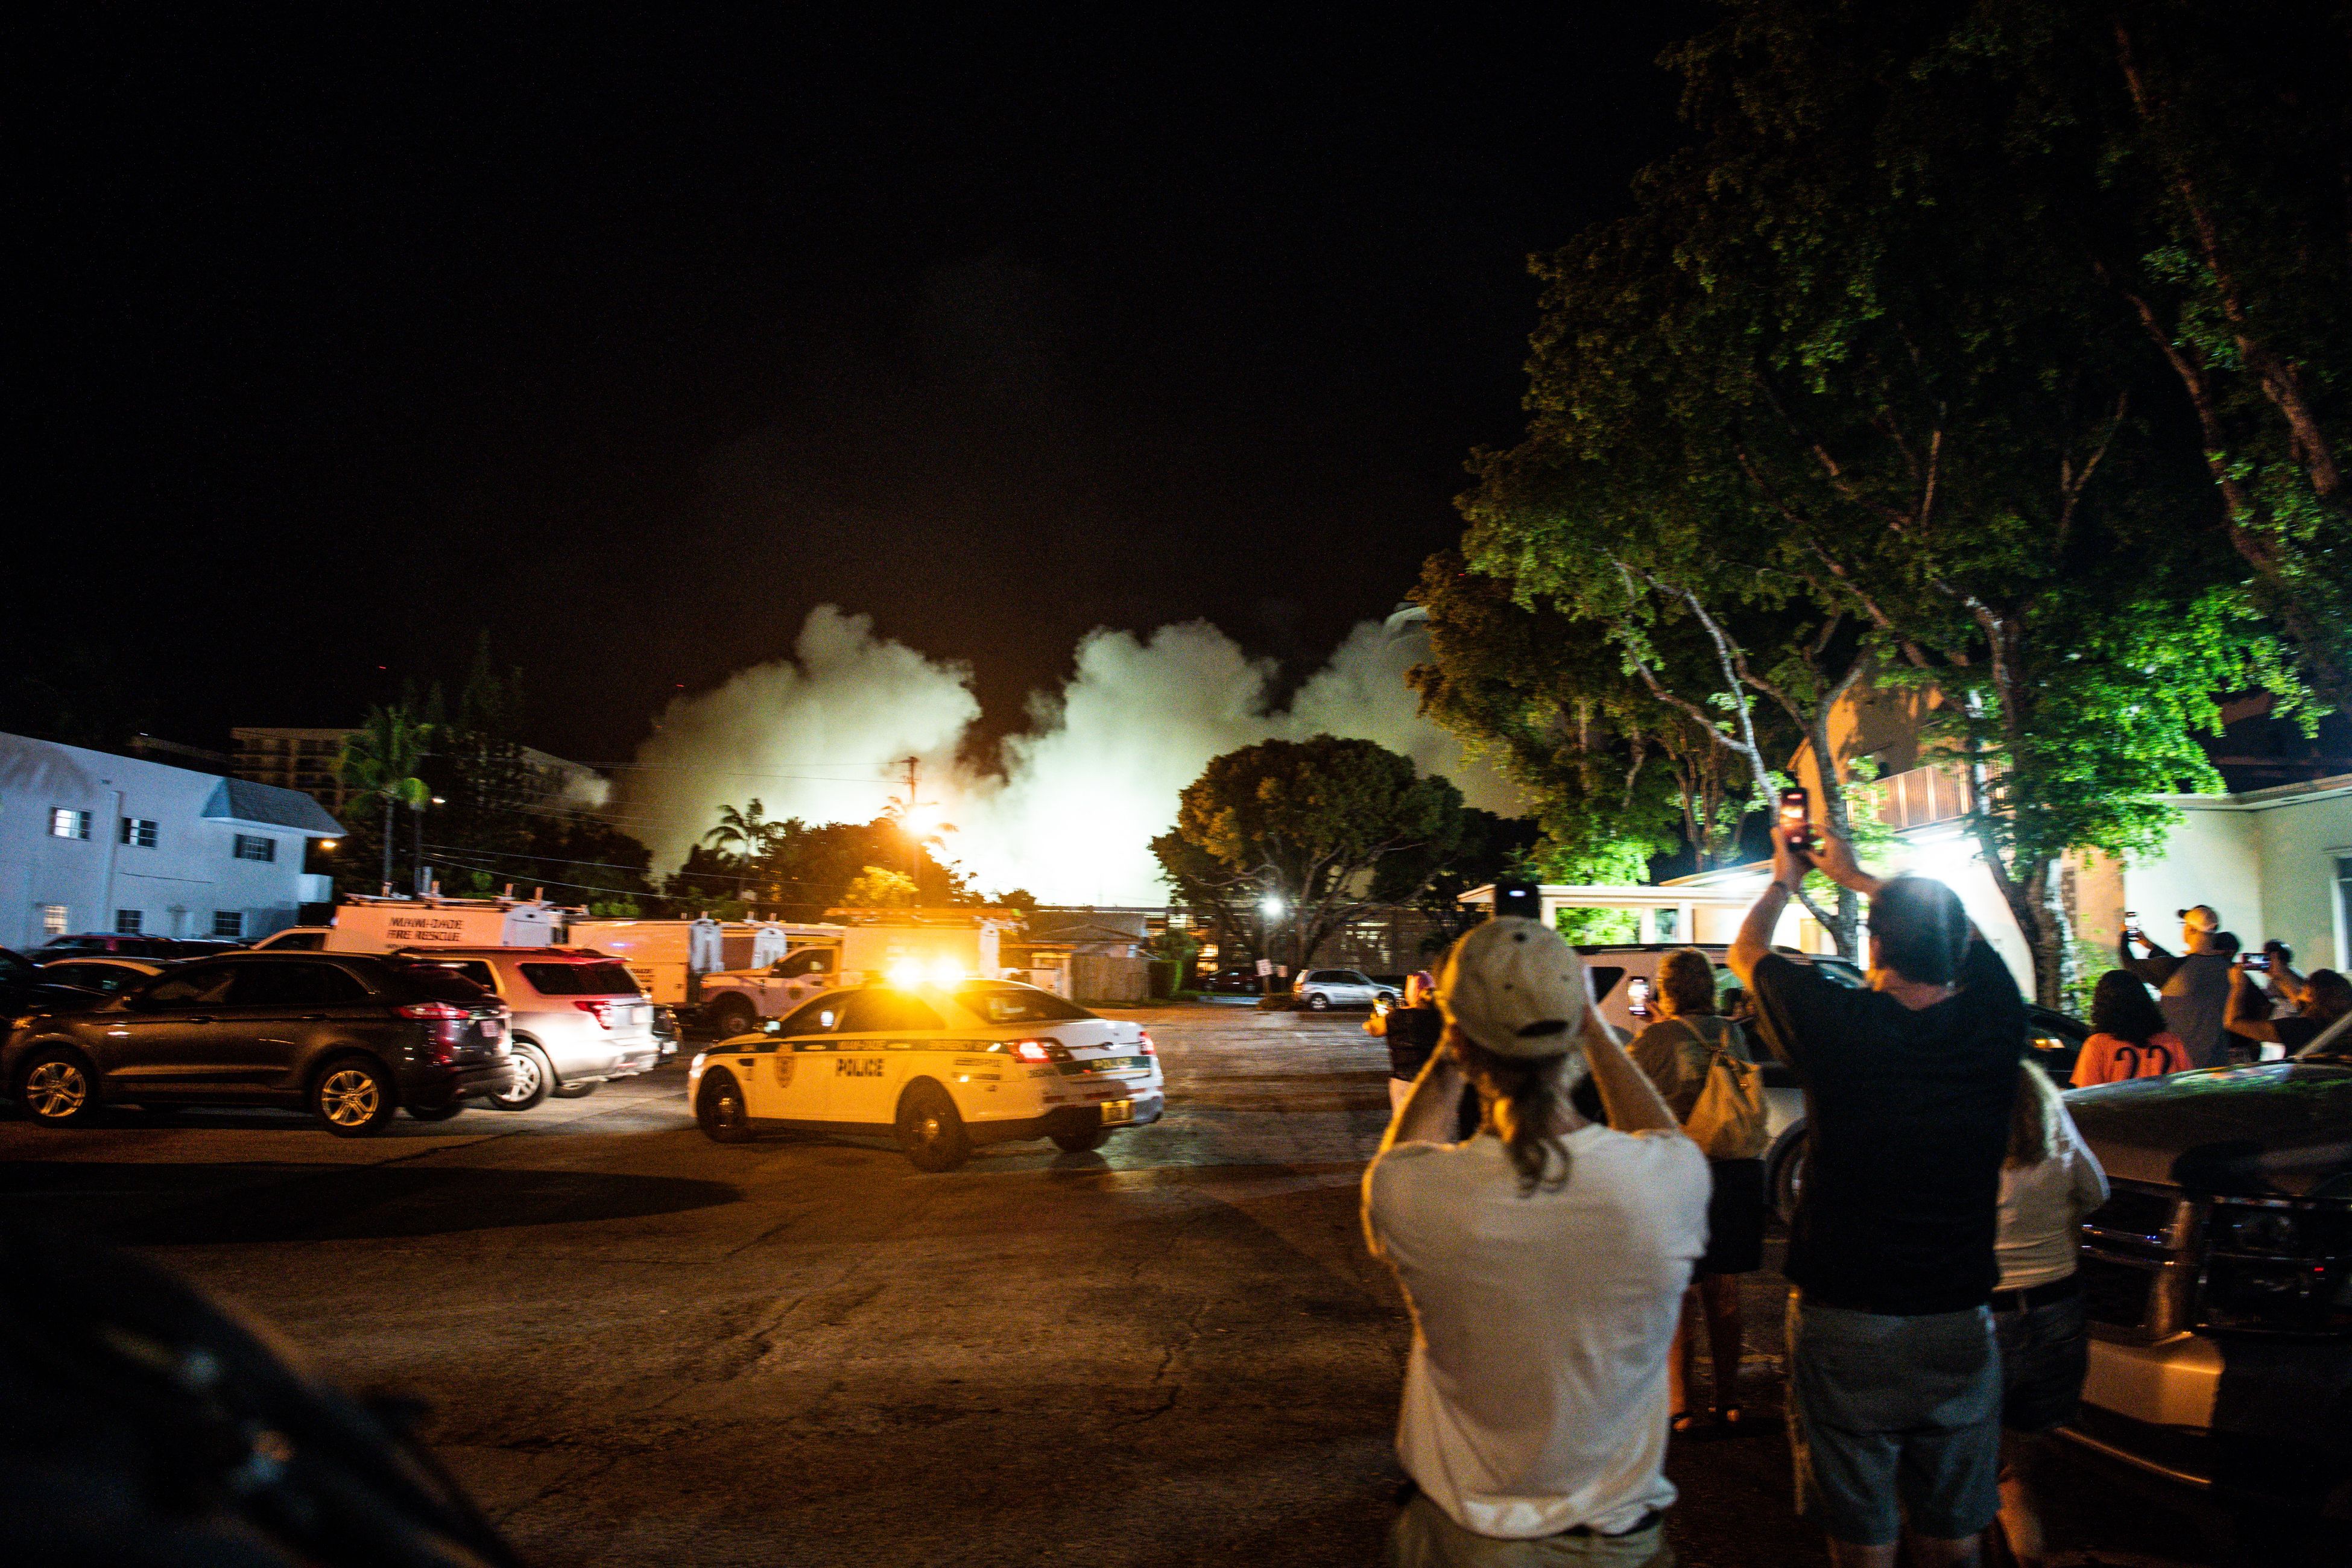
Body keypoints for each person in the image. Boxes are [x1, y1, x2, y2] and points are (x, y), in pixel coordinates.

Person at [1365, 916, 1709, 1567]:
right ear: (1578, 1022)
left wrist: (1449, 1045)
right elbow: (1665, 1138)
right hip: (1616, 1545)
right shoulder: (1667, 1182)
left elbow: (1405, 1151)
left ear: (1463, 1040)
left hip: (1464, 1542)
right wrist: (1598, 1033)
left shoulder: (1417, 1193)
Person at [1729, 823, 2021, 1568]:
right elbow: (1972, 939)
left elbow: (1747, 954)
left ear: (1876, 948)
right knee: (1953, 1524)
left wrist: (1787, 879)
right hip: (1957, 1308)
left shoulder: (1839, 1023)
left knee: (1860, 1525)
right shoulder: (1995, 1022)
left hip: (1845, 1308)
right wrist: (1861, 878)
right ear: (1957, 948)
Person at [1628, 948, 1765, 1435]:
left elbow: (1628, 1098)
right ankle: (1728, 1399)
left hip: (1678, 1172)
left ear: (1668, 989)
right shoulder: (1734, 1033)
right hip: (1735, 1171)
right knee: (1724, 1290)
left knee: (1680, 1288)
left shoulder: (1657, 1039)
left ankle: (1681, 1405)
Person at [1987, 1065, 2107, 1568]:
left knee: (1961, 1469)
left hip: (1983, 1317)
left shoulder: (1959, 1134)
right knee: (2017, 1469)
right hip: (2054, 1311)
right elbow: (2097, 1192)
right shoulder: (2054, 1122)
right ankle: (2024, 1553)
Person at [2117, 906, 2235, 1069]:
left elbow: (2129, 964)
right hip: (2218, 1064)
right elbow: (2184, 969)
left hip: (2178, 1065)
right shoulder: (2229, 969)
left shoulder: (2175, 969)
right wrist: (2151, 946)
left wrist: (2124, 934)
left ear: (2191, 930)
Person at [2069, 971, 2189, 1086]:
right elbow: (2187, 1086)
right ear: (2144, 1000)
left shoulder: (2097, 1045)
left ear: (2101, 1005)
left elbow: (2088, 1098)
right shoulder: (2171, 1041)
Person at [2225, 964, 2352, 1057]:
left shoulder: (2298, 1028)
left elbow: (2233, 1023)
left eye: (2304, 989)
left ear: (2310, 995)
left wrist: (2238, 986)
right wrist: (2279, 976)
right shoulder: (2344, 1025)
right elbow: (2299, 1000)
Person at [1369, 971, 1444, 1119]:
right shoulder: (1441, 1015)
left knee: (1405, 1125)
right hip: (1433, 1081)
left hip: (1404, 1082)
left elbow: (1373, 1029)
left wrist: (1381, 1016)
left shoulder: (1397, 1017)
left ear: (1415, 991)